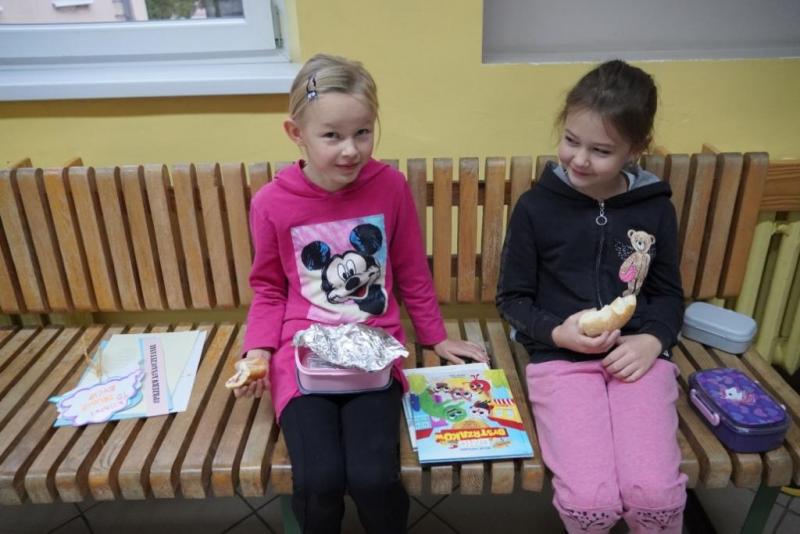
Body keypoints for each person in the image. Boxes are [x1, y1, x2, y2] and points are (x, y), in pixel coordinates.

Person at [234, 53, 487, 534]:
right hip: (301, 357)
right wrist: (258, 350)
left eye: (363, 132)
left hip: (375, 353)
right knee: (320, 480)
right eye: (332, 135)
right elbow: (267, 288)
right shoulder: (271, 203)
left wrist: (435, 337)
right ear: (296, 133)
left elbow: (411, 269)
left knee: (373, 479)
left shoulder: (389, 187)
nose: (350, 150)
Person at [496, 60, 687, 533]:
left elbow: (668, 294)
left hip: (637, 359)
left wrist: (653, 340)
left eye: (600, 150)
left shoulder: (655, 209)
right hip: (560, 360)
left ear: (635, 149)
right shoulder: (536, 208)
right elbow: (512, 298)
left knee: (654, 495)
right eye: (571, 140)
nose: (579, 159)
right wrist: (557, 332)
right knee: (591, 500)